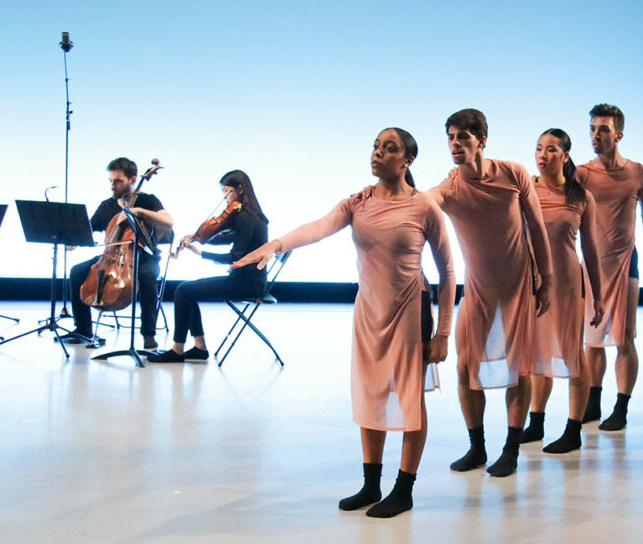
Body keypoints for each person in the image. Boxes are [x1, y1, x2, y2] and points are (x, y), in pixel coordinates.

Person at [234, 128, 454, 518]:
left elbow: (448, 271)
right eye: (375, 146)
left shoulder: (424, 208)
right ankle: (372, 485)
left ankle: (403, 490)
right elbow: (316, 228)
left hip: (410, 313)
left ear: (407, 160)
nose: (378, 153)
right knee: (370, 394)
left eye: (389, 149)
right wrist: (273, 245)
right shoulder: (358, 202)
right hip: (368, 312)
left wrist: (443, 332)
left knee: (409, 401)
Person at [427, 109, 553, 477]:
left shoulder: (513, 173)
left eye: (463, 137)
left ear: (481, 140)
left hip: (518, 286)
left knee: (520, 369)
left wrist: (545, 277)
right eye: (451, 137)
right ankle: (477, 447)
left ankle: (511, 448)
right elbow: (428, 199)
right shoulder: (451, 187)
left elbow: (538, 227)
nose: (455, 144)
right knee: (466, 369)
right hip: (479, 290)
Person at [520, 128, 604, 453]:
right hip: (532, 283)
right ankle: (536, 423)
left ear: (565, 156)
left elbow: (591, 251)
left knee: (572, 354)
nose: (543, 155)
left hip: (568, 283)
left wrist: (599, 296)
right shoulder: (524, 189)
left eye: (551, 149)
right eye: (539, 148)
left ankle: (573, 430)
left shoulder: (580, 197)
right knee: (536, 354)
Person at [577, 104, 643, 431]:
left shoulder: (639, 173)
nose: (596, 135)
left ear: (618, 134)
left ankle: (621, 408)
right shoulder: (582, 173)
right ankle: (593, 404)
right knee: (592, 339)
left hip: (626, 262)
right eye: (593, 129)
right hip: (592, 266)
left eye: (604, 130)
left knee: (624, 337)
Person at [147, 170, 268, 363]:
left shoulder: (246, 218)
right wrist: (200, 238)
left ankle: (177, 350)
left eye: (227, 192)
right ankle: (199, 348)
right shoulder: (252, 216)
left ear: (240, 190)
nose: (225, 198)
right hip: (250, 280)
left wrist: (200, 253)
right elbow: (229, 237)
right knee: (187, 290)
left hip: (246, 283)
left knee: (183, 291)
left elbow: (235, 257)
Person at [63, 157, 174, 350]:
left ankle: (148, 334)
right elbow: (89, 230)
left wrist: (138, 211)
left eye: (118, 181)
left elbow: (168, 221)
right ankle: (83, 329)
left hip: (145, 257)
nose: (113, 186)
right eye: (111, 181)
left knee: (147, 276)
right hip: (111, 256)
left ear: (132, 180)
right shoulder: (107, 206)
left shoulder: (147, 200)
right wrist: (74, 239)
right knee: (77, 272)